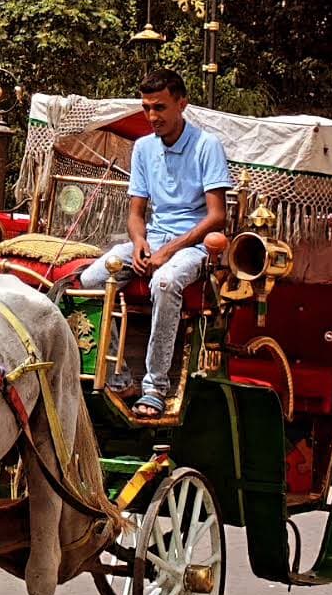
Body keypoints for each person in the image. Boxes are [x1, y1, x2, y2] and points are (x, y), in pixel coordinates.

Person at [78, 67, 231, 416]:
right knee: (90, 280)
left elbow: (216, 216)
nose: (152, 116)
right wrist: (139, 244)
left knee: (164, 282)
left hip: (192, 247)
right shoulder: (143, 148)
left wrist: (168, 251)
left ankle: (155, 387)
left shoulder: (207, 146)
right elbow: (136, 214)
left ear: (182, 104)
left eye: (159, 107)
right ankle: (118, 377)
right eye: (147, 108)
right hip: (153, 241)